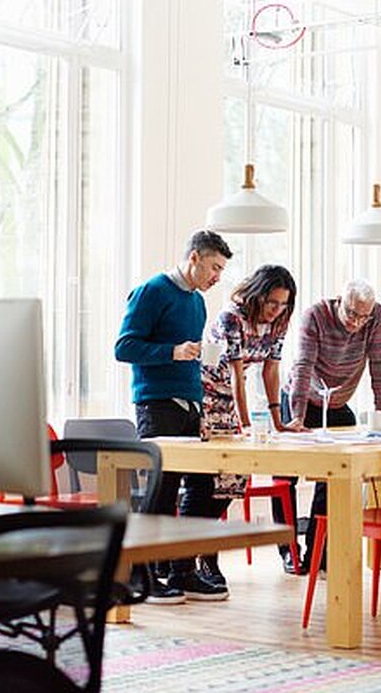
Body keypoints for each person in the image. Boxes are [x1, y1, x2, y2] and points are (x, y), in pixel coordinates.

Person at [115, 229, 233, 603]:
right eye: (214, 267)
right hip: (157, 406)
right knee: (161, 492)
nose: (218, 276)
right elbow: (124, 347)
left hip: (191, 406)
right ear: (194, 257)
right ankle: (143, 576)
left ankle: (183, 571)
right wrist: (172, 351)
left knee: (200, 489)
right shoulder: (152, 291)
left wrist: (200, 403)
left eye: (222, 270)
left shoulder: (197, 303)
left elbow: (190, 357)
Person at [274, 278, 381, 574]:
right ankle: (289, 551)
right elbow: (303, 367)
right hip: (302, 397)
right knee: (285, 476)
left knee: (333, 477)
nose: (356, 322)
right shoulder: (315, 315)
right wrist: (297, 417)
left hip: (337, 403)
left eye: (363, 317)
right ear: (339, 301)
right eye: (351, 313)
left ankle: (319, 550)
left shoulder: (375, 316)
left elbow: (379, 368)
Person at [197, 264, 297, 586]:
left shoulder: (279, 321)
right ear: (258, 296)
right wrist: (244, 424)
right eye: (272, 302)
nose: (276, 309)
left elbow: (271, 370)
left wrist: (278, 420)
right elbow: (237, 374)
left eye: (283, 304)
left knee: (234, 481)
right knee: (212, 481)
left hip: (232, 398)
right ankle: (204, 556)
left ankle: (196, 548)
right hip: (207, 395)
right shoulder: (232, 318)